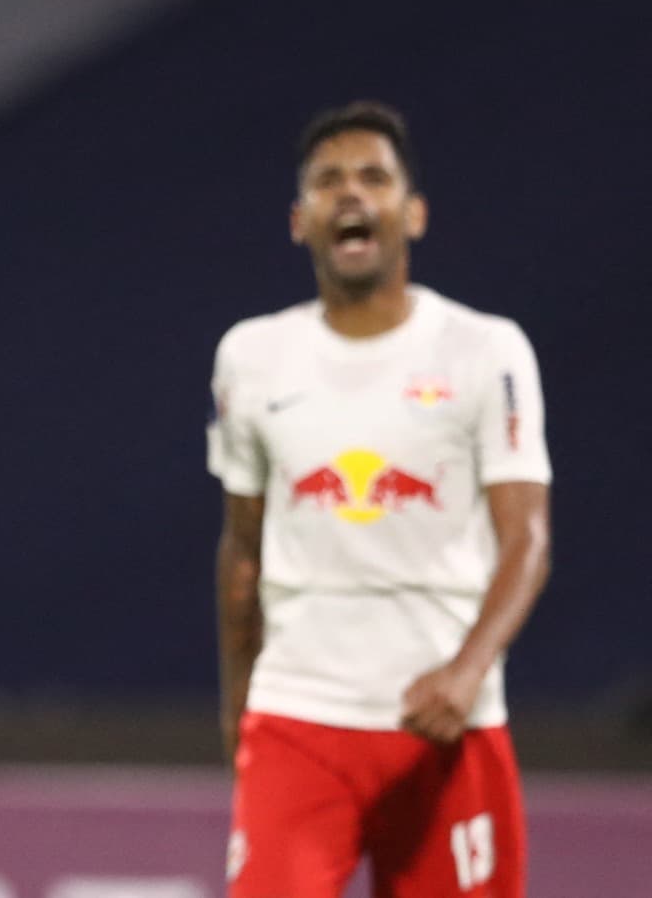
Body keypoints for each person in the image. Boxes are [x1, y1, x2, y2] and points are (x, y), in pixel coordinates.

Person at [208, 101, 552, 897]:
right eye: (328, 182)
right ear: (300, 221)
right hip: (299, 718)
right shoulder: (251, 357)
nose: (351, 194)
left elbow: (526, 539)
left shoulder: (485, 351)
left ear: (415, 212)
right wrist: (238, 704)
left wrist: (468, 672)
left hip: (444, 721)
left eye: (374, 177)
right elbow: (242, 551)